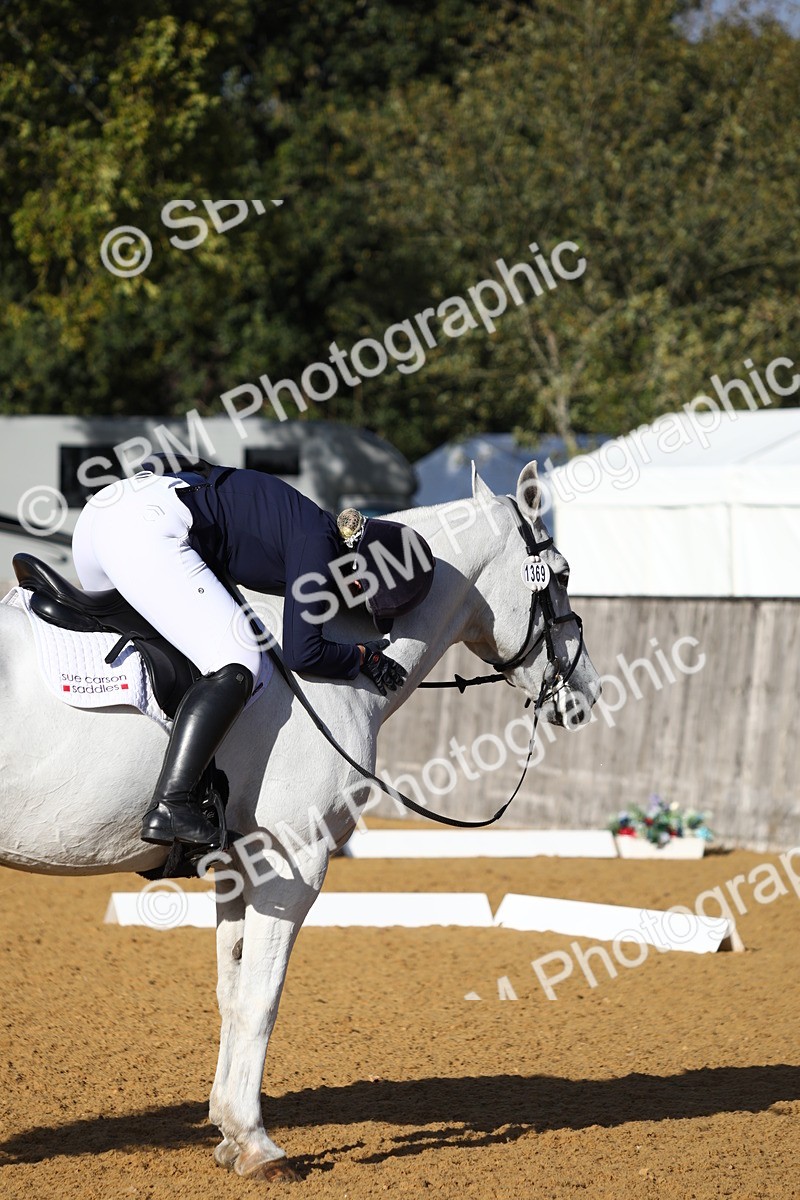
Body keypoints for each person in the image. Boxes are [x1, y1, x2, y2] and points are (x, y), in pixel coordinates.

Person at [71, 459, 435, 849]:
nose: (354, 601)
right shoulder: (317, 546)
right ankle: (173, 803)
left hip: (102, 517)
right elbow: (303, 653)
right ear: (361, 573)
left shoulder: (306, 518)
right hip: (146, 528)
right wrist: (363, 657)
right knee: (240, 660)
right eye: (362, 595)